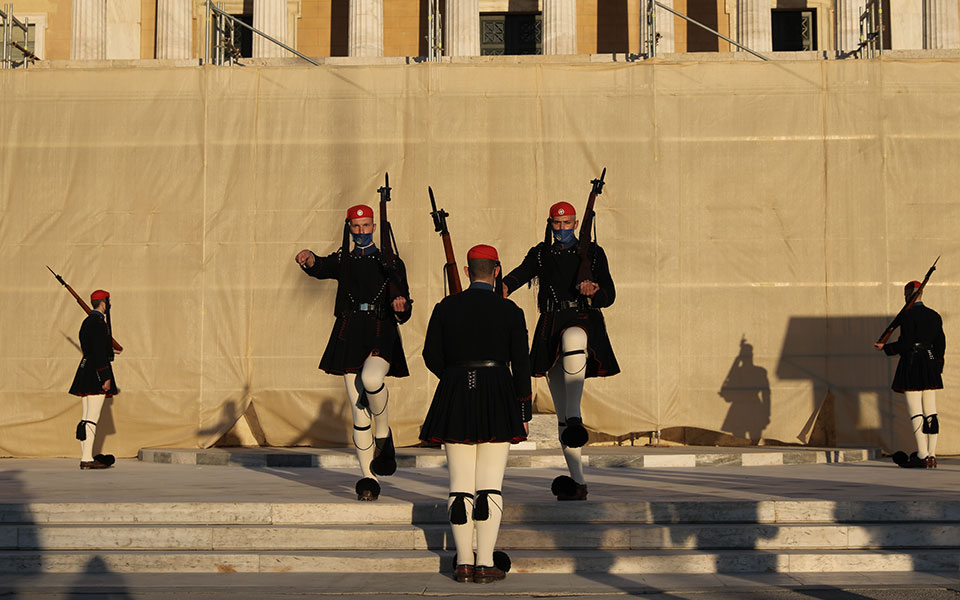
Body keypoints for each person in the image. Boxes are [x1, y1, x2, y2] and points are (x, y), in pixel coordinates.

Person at [420, 244, 532, 584]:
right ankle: (485, 563)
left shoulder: (446, 307)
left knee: (460, 486)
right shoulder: (510, 310)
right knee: (490, 486)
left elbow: (430, 355)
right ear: (496, 271)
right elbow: (521, 363)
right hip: (498, 392)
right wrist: (523, 407)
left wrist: (455, 378)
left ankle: (463, 563)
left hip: (456, 393)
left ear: (468, 272)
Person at [502, 201, 619, 501]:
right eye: (557, 223)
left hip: (582, 319)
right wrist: (499, 287)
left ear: (577, 224)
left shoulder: (592, 253)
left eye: (567, 223)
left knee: (575, 338)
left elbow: (609, 294)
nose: (562, 229)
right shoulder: (540, 254)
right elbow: (518, 276)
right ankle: (578, 481)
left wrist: (594, 291)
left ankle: (576, 413)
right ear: (550, 223)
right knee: (563, 421)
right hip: (550, 326)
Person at [296, 204, 412, 500]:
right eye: (356, 227)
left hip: (379, 329)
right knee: (358, 414)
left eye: (366, 226)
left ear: (375, 227)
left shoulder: (391, 261)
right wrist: (309, 260)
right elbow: (322, 267)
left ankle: (383, 434)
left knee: (372, 381)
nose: (361, 232)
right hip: (349, 332)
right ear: (349, 227)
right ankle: (368, 478)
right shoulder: (344, 259)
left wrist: (401, 305)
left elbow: (403, 302)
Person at [875, 281, 945, 469]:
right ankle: (931, 455)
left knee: (916, 412)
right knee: (931, 411)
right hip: (930, 362)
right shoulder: (934, 316)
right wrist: (937, 366)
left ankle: (921, 454)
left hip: (912, 363)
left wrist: (886, 348)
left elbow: (905, 344)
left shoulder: (907, 315)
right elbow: (940, 345)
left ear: (908, 295)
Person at [68, 289, 119, 470]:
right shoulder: (98, 323)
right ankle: (87, 458)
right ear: (104, 303)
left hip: (85, 369)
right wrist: (105, 377)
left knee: (85, 417)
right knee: (92, 418)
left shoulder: (87, 322)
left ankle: (85, 455)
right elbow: (98, 352)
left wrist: (108, 349)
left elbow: (91, 347)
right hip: (96, 372)